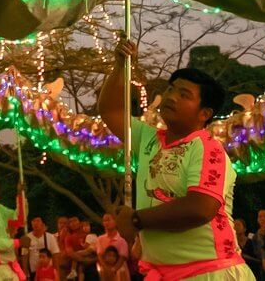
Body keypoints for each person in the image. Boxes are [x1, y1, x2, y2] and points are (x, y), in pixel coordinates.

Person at [100, 38, 252, 280]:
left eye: (184, 94)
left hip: (211, 273)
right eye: (171, 89)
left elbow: (200, 208)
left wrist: (136, 219)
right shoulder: (148, 139)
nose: (171, 96)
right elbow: (111, 111)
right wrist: (120, 66)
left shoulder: (208, 149)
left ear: (204, 114)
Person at [95, 213, 128, 278]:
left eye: (108, 220)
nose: (106, 223)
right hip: (105, 273)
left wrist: (113, 270)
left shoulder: (122, 241)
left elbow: (122, 259)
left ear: (115, 221)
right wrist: (106, 269)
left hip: (120, 273)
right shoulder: (100, 239)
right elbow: (100, 256)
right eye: (104, 221)